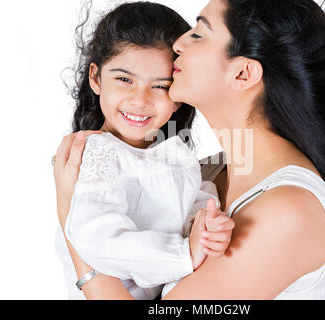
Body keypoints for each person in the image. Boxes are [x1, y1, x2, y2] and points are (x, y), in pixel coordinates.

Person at [54, 0, 325, 299]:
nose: (179, 42)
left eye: (199, 34)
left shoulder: (288, 212)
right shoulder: (207, 173)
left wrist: (74, 223)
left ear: (243, 74)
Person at [53, 2, 235, 300]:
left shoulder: (172, 154)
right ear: (96, 78)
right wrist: (183, 254)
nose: (140, 100)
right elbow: (97, 238)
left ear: (177, 96)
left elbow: (190, 202)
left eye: (160, 86)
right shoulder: (93, 154)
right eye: (124, 80)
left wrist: (207, 224)